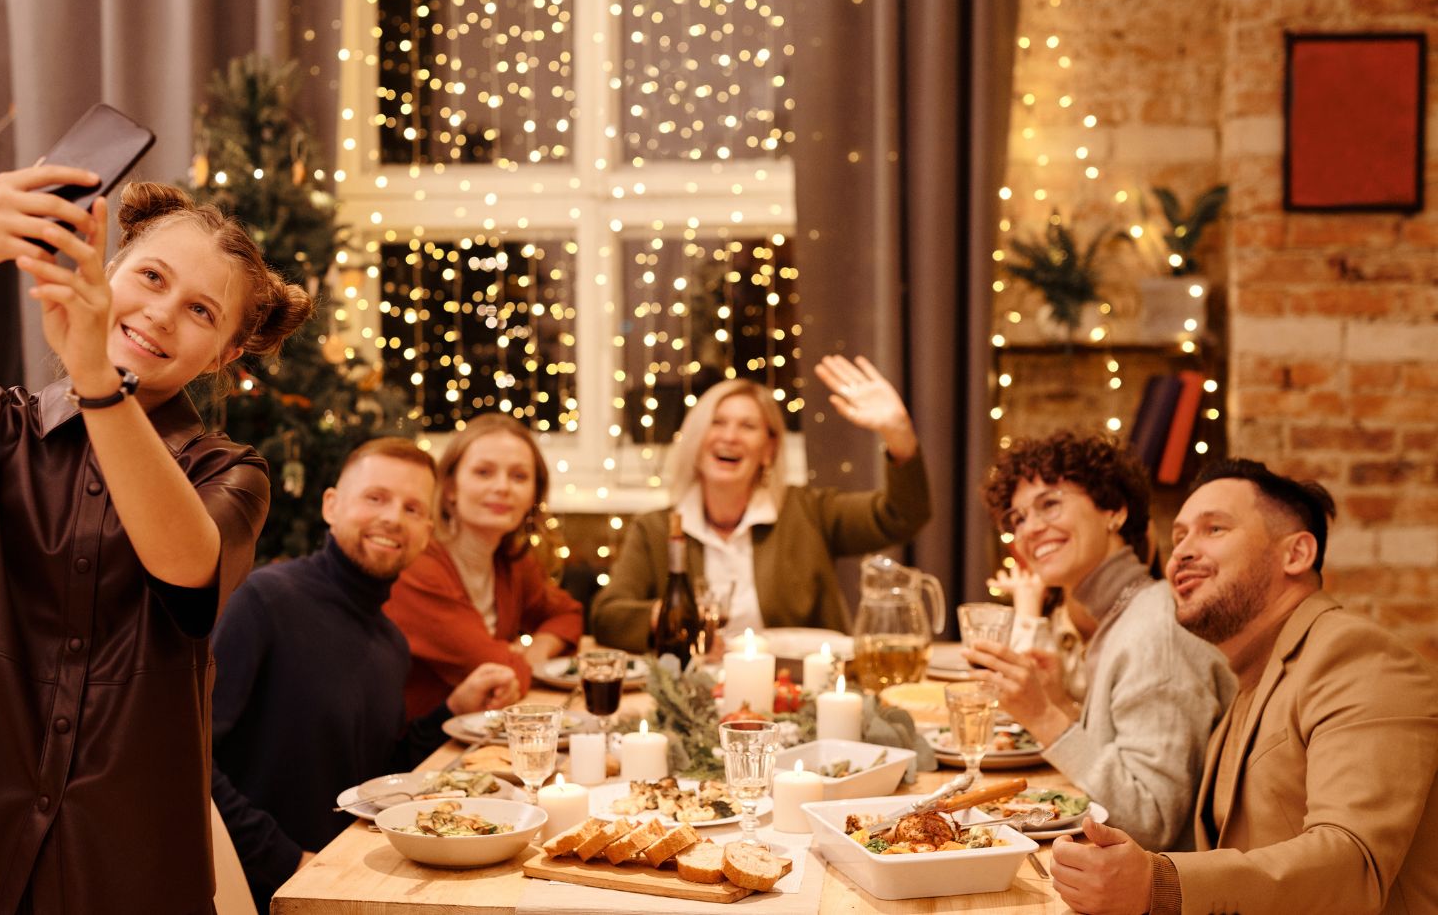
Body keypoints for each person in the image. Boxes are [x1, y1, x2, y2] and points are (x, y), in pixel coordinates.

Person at [0, 169, 313, 912]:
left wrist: (96, 380)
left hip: (126, 868)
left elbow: (187, 567)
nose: (161, 313)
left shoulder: (229, 473)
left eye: (201, 311)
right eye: (150, 275)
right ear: (108, 271)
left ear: (222, 357)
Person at [1050, 459, 1438, 915]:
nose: (1182, 553)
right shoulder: (1252, 676)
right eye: (1178, 536)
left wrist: (1161, 884)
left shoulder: (1359, 656)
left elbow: (1353, 865)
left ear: (1296, 554)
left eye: (1214, 529)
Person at [210, 437, 520, 910]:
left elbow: (375, 775)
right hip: (269, 890)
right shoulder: (264, 601)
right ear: (331, 505)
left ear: (428, 531)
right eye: (375, 498)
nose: (393, 518)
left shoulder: (390, 642)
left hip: (357, 878)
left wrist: (450, 711)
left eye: (413, 508)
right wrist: (287, 860)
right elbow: (191, 759)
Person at [967, 432, 1234, 851]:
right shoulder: (1123, 615)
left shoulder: (1154, 630)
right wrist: (1061, 704)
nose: (1031, 529)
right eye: (1017, 519)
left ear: (1114, 510)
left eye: (1049, 504)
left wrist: (1043, 717)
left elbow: (1152, 820)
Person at [590, 356, 931, 651]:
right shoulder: (656, 530)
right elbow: (607, 616)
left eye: (748, 426)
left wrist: (898, 434)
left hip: (798, 691)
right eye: (717, 423)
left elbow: (903, 515)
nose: (730, 436)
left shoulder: (809, 512)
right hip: (693, 694)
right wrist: (662, 615)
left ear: (769, 449)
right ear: (696, 439)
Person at [383, 413, 583, 720]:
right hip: (418, 752)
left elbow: (567, 615)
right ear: (449, 488)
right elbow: (497, 669)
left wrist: (535, 651)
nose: (502, 487)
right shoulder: (417, 565)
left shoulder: (509, 560)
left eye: (519, 477)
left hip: (476, 734)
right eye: (483, 472)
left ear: (533, 496)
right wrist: (513, 658)